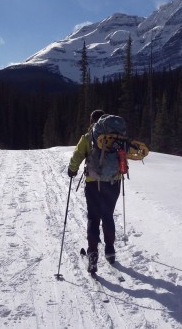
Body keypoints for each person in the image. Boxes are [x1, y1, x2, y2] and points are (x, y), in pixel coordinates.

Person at [67, 109, 121, 273]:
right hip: (113, 182)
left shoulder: (88, 137)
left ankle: (92, 254)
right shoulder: (116, 137)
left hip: (93, 183)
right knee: (108, 216)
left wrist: (72, 169)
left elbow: (77, 155)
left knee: (93, 217)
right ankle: (110, 251)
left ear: (93, 121)